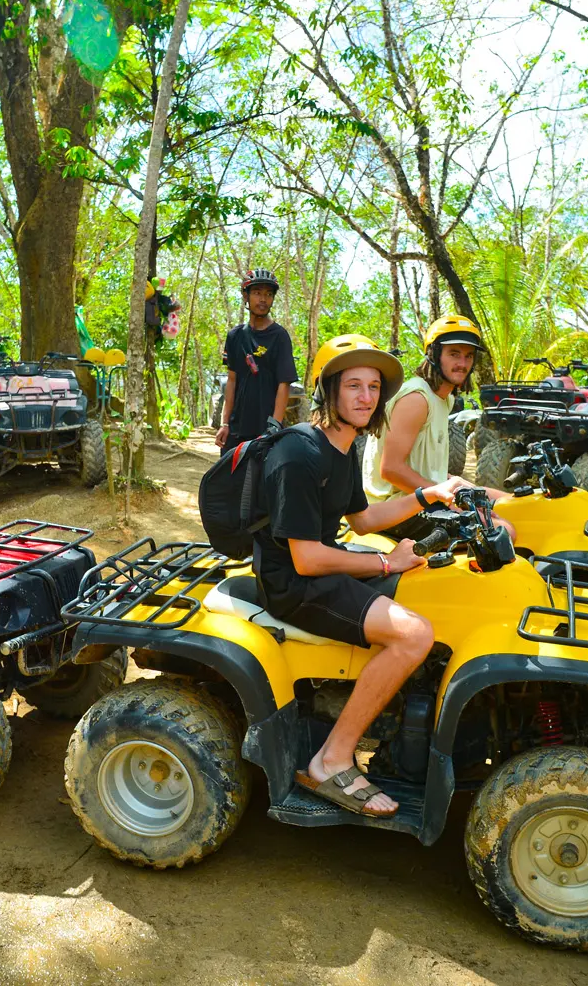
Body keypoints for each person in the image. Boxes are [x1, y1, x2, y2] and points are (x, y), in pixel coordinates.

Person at [255, 334, 468, 817]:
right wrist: (386, 563)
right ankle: (331, 760)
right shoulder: (298, 454)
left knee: (427, 592)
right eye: (353, 385)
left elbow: (364, 520)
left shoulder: (342, 449)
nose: (366, 397)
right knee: (413, 635)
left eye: (373, 387)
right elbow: (307, 559)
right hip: (293, 584)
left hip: (321, 564)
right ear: (327, 391)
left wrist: (428, 495)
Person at [364, 315, 509, 540]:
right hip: (394, 507)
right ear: (434, 353)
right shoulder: (417, 398)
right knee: (503, 532)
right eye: (454, 354)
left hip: (421, 496)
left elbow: (428, 469)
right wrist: (445, 496)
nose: (462, 363)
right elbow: (390, 469)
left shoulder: (444, 399)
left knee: (511, 504)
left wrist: (465, 486)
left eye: (468, 356)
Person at [216, 269, 298, 448]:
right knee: (229, 475)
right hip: (236, 428)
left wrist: (274, 426)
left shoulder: (280, 336)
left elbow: (284, 384)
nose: (263, 299)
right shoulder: (235, 336)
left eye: (268, 294)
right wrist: (225, 424)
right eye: (257, 293)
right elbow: (231, 380)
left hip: (266, 430)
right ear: (245, 296)